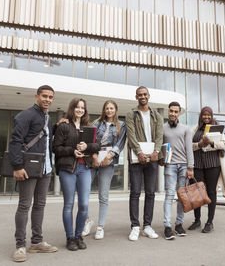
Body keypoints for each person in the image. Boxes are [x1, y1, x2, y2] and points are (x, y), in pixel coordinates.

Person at [9, 85, 58, 262]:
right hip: (27, 169)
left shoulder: (48, 118)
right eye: (44, 96)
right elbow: (15, 141)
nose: (47, 99)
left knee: (40, 205)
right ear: (37, 96)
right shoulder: (26, 115)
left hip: (45, 169)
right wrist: (17, 166)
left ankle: (36, 242)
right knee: (24, 205)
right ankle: (20, 246)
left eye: (50, 97)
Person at [53, 98, 100, 251]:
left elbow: (97, 145)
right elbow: (56, 148)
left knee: (84, 204)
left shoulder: (89, 127)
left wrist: (87, 146)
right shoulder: (64, 126)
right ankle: (70, 237)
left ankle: (79, 236)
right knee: (69, 204)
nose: (80, 110)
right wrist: (72, 150)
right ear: (72, 108)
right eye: (77, 107)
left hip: (84, 168)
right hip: (68, 169)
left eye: (82, 107)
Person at [83, 100, 126, 240]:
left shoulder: (121, 125)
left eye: (111, 108)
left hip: (108, 161)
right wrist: (95, 156)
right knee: (84, 192)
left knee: (103, 195)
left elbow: (120, 144)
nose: (109, 110)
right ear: (104, 110)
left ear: (115, 110)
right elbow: (91, 141)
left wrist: (109, 156)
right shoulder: (96, 123)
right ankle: (87, 221)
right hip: (93, 160)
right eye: (107, 108)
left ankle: (100, 227)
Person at [125, 86, 164, 241]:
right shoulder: (131, 114)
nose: (142, 96)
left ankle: (147, 226)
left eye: (145, 94)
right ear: (136, 97)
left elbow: (160, 135)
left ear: (149, 96)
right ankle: (135, 226)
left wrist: (156, 152)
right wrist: (139, 152)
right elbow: (131, 134)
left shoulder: (157, 116)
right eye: (140, 95)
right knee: (135, 192)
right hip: (137, 158)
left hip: (152, 158)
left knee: (150, 193)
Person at [188, 106, 225, 233]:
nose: (206, 117)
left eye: (208, 115)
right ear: (201, 116)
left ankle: (209, 222)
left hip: (212, 165)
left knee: (211, 192)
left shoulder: (217, 129)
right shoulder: (195, 129)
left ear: (212, 116)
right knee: (197, 193)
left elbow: (223, 145)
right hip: (197, 165)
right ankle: (197, 220)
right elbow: (189, 146)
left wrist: (211, 143)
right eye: (204, 115)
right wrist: (199, 144)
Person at [160, 102, 194, 240]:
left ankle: (179, 224)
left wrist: (190, 167)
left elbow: (189, 148)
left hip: (184, 166)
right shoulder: (162, 128)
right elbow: (159, 146)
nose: (173, 114)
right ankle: (167, 226)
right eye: (171, 111)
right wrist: (161, 159)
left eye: (176, 111)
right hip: (170, 166)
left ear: (179, 113)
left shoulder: (186, 129)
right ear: (168, 112)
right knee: (169, 195)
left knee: (181, 197)